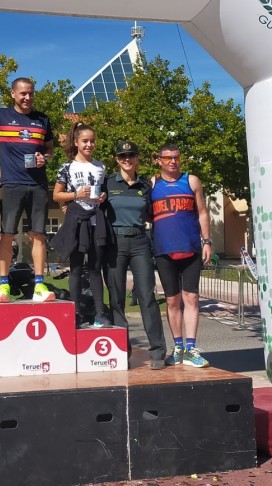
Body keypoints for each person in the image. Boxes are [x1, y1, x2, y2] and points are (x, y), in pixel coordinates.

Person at [0, 78, 56, 304]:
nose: (27, 97)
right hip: (12, 185)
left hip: (38, 185)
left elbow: (50, 149)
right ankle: (3, 286)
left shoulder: (43, 119)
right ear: (13, 94)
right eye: (23, 93)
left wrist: (46, 158)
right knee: (7, 234)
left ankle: (39, 284)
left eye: (31, 93)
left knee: (38, 235)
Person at [105, 139, 167, 369]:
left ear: (137, 158)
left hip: (141, 242)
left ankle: (158, 352)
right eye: (123, 156)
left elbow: (153, 213)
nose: (127, 160)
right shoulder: (108, 182)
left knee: (147, 296)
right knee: (117, 298)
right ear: (117, 159)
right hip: (115, 243)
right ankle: (122, 351)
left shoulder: (145, 185)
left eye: (131, 155)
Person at [151, 142, 211, 368]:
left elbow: (203, 212)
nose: (172, 161)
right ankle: (177, 347)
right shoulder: (153, 184)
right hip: (164, 250)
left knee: (192, 298)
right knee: (172, 300)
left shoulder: (191, 181)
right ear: (159, 160)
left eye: (176, 157)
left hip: (191, 248)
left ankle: (191, 348)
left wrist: (207, 241)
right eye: (167, 158)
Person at [50, 123, 109, 327]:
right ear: (76, 142)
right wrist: (76, 195)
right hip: (76, 220)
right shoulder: (67, 167)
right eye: (85, 141)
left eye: (92, 141)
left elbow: (103, 192)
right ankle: (75, 313)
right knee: (75, 268)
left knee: (95, 268)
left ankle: (100, 313)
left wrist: (102, 196)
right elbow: (56, 194)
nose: (89, 145)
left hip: (95, 221)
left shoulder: (101, 166)